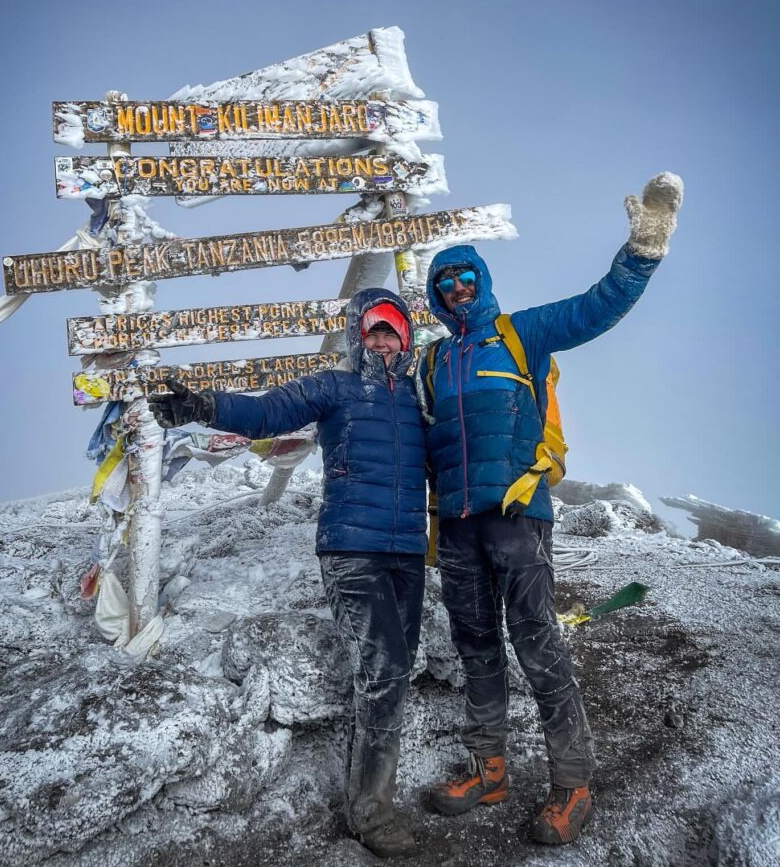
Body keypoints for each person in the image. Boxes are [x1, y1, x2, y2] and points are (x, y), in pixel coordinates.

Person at [416, 173, 684, 844]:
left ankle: (573, 785)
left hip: (517, 514)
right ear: (435, 295)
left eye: (464, 275)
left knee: (537, 643)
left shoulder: (521, 333)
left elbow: (596, 307)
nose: (456, 287)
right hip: (457, 525)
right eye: (444, 281)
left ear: (481, 278)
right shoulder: (433, 363)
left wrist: (642, 252)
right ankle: (490, 770)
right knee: (476, 648)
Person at [150, 287, 427, 859]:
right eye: (372, 329)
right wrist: (205, 407)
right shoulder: (335, 387)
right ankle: (371, 810)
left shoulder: (421, 399)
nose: (382, 339)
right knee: (385, 665)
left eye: (391, 329)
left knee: (390, 673)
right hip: (352, 549)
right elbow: (268, 412)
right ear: (358, 335)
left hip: (407, 553)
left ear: (407, 336)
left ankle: (372, 790)